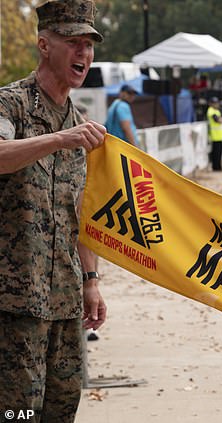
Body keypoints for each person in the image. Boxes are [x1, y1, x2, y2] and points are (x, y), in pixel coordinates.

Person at [0, 0, 107, 421]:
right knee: (16, 414)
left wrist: (91, 281)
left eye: (89, 45)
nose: (83, 54)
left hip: (64, 302)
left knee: (61, 411)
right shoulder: (11, 104)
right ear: (45, 45)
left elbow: (82, 211)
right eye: (73, 43)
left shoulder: (80, 122)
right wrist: (59, 139)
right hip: (13, 300)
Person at [206, 97, 222, 171]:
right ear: (211, 104)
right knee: (216, 153)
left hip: (219, 136)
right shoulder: (211, 111)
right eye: (214, 103)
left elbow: (220, 119)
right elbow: (218, 120)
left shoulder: (216, 111)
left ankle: (219, 167)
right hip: (214, 136)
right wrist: (221, 120)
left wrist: (221, 120)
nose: (216, 104)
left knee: (219, 152)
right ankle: (216, 167)